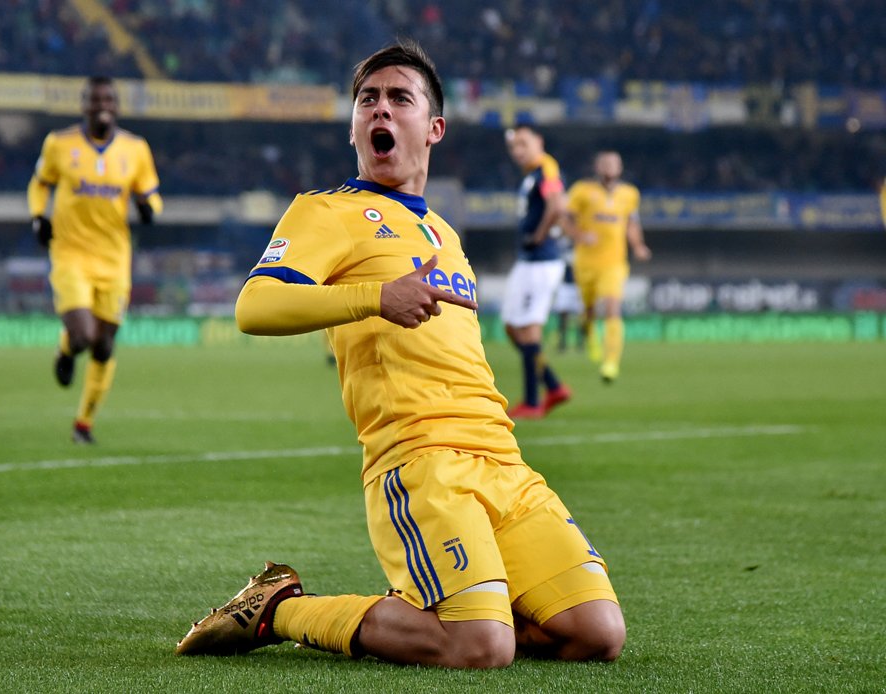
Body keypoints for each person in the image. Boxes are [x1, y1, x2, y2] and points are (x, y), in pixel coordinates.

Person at [176, 41, 624, 669]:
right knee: (481, 648)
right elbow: (254, 306)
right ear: (355, 125)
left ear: (433, 127)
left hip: (503, 460)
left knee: (597, 634)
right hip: (418, 460)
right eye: (368, 100)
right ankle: (280, 608)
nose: (379, 109)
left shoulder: (445, 234)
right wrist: (375, 297)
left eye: (398, 98)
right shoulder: (325, 212)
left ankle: (463, 616)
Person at [26, 76, 162, 443]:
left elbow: (150, 192)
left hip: (115, 259)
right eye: (96, 99)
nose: (103, 105)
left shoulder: (135, 149)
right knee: (85, 334)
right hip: (70, 254)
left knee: (104, 344)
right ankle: (67, 348)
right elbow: (39, 182)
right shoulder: (59, 144)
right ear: (84, 105)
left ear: (116, 106)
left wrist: (149, 209)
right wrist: (39, 216)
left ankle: (83, 424)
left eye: (109, 99)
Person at [499, 124, 572, 419]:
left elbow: (557, 205)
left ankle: (532, 401)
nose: (518, 151)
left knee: (528, 328)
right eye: (514, 146)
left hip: (541, 261)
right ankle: (552, 385)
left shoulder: (547, 168)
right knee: (512, 326)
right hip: (528, 261)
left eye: (524, 144)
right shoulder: (533, 173)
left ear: (538, 141)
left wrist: (540, 235)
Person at [562, 150, 650, 383]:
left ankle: (610, 363)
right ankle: (589, 332)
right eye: (605, 163)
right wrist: (579, 235)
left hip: (614, 263)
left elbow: (631, 224)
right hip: (586, 262)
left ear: (620, 168)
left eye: (614, 163)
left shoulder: (630, 194)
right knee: (589, 308)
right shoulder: (582, 191)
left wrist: (639, 246)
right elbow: (565, 219)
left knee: (612, 308)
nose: (609, 167)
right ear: (597, 167)